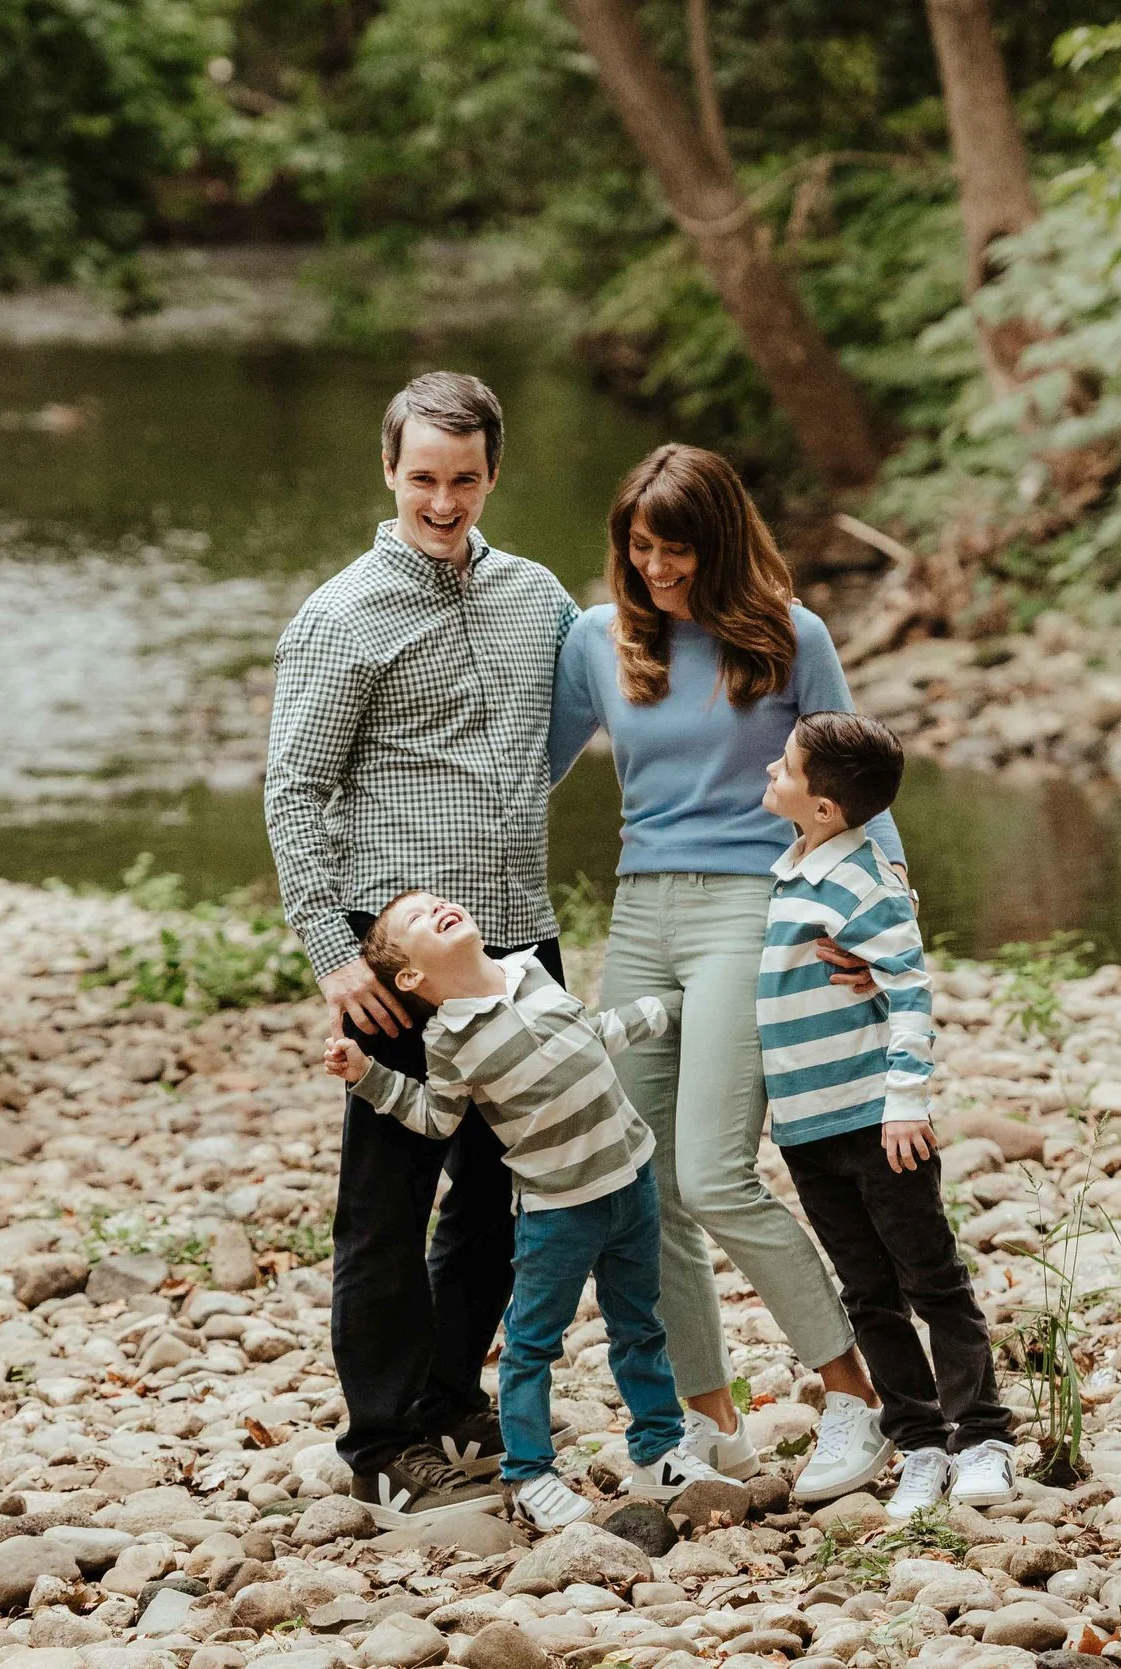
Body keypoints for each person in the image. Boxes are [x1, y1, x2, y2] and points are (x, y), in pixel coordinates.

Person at [548, 442, 899, 1503]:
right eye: (640, 549)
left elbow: (861, 791)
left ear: (725, 544)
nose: (657, 570)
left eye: (678, 551)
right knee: (637, 1181)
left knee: (713, 1173)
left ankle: (854, 1399)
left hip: (756, 911)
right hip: (641, 913)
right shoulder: (594, 641)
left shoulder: (793, 638)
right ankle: (710, 1423)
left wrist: (882, 932)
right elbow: (521, 770)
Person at [264, 371, 577, 1523]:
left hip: (519, 939)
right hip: (392, 948)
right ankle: (384, 1438)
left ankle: (451, 1395)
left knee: (506, 1190)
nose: (442, 502)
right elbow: (294, 792)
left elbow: (570, 730)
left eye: (463, 479)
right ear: (388, 472)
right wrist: (331, 955)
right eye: (422, 479)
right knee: (388, 1202)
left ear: (493, 473)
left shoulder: (538, 598)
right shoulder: (341, 617)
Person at [322, 890, 732, 1529]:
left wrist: (672, 1006)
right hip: (559, 1210)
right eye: (416, 919)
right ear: (410, 977)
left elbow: (591, 1034)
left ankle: (658, 1450)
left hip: (631, 1182)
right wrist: (367, 1075)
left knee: (639, 1325)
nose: (437, 909)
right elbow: (436, 1118)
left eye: (439, 901)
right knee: (532, 1345)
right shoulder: (449, 1040)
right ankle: (530, 1474)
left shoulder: (531, 971)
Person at [757, 712, 1015, 1519]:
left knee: (930, 1279)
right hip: (807, 1127)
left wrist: (904, 1103)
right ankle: (917, 1442)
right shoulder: (793, 867)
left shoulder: (864, 880)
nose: (772, 767)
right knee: (867, 1290)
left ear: (825, 807)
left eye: (786, 764)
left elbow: (909, 993)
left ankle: (981, 1436)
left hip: (876, 1121)